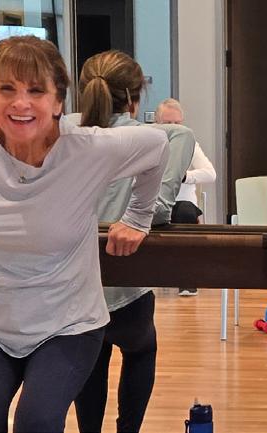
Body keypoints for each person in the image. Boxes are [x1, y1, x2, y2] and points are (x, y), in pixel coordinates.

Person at [0, 36, 176, 433]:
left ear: (59, 101)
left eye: (36, 91)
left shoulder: (89, 147)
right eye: (7, 89)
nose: (20, 103)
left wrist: (138, 217)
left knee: (37, 422)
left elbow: (158, 145)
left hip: (68, 323)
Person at [66, 50, 201, 433]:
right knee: (141, 349)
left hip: (73, 283)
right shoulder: (153, 137)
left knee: (92, 356)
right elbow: (160, 206)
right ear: (133, 99)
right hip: (127, 284)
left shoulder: (65, 131)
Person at [155, 98, 216, 296]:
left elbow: (210, 174)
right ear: (157, 123)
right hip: (155, 203)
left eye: (177, 123)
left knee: (185, 213)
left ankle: (187, 279)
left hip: (182, 205)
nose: (173, 127)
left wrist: (185, 177)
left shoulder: (191, 145)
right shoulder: (149, 144)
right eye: (168, 123)